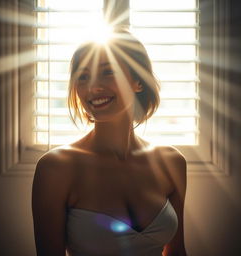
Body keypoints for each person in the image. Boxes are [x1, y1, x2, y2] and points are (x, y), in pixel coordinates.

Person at [32, 28, 187, 256]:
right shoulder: (55, 168)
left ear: (138, 82)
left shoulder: (172, 163)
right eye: (83, 77)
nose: (93, 87)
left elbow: (177, 252)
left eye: (107, 72)